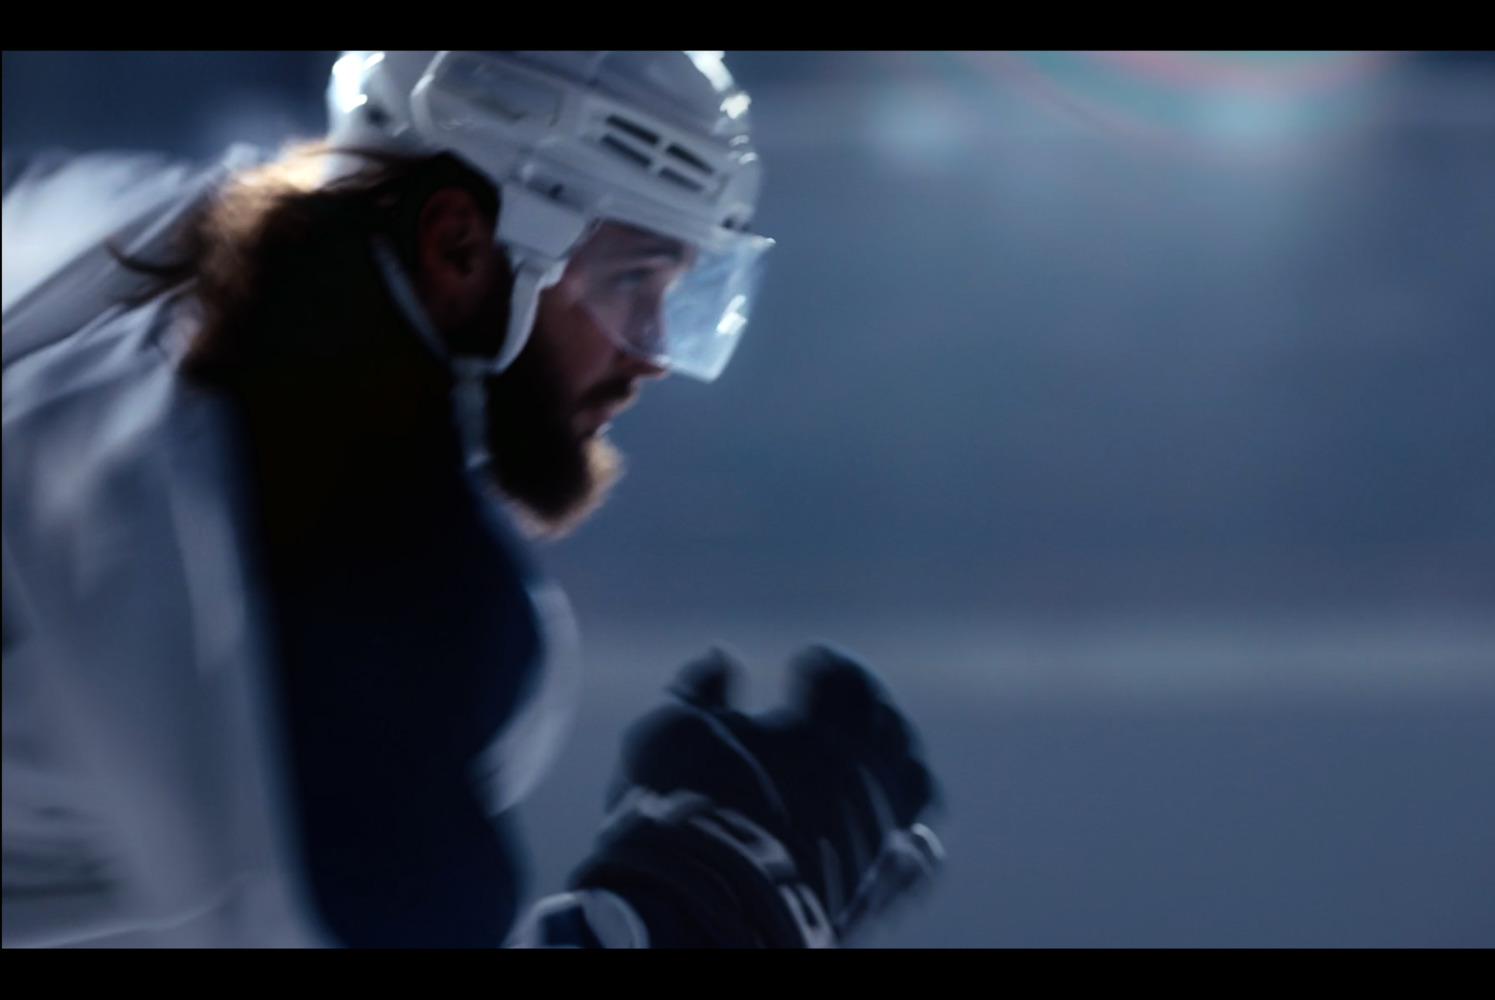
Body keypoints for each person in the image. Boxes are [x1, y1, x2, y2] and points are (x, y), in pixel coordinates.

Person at [1, 50, 941, 948]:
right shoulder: (348, 536)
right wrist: (711, 906)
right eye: (629, 281)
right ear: (458, 244)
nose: (652, 351)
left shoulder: (145, 234)